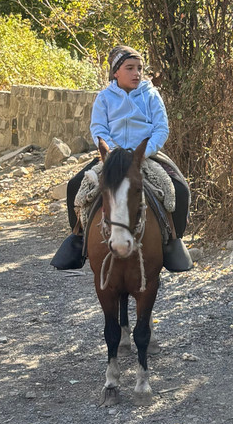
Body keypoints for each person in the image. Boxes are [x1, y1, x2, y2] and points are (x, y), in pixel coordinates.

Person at [51, 46, 193, 272]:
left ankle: (172, 242)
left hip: (146, 155)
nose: (136, 73)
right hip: (112, 158)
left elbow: (161, 129)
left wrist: (141, 153)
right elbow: (98, 129)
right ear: (116, 72)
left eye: (140, 68)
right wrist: (114, 154)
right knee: (75, 186)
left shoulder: (151, 95)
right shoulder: (105, 98)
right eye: (130, 68)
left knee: (179, 189)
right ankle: (78, 239)